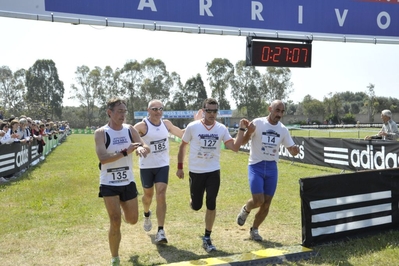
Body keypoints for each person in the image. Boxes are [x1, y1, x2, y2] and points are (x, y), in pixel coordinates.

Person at [176, 97, 249, 253]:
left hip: (213, 172)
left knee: (211, 202)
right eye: (208, 110)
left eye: (215, 111)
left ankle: (207, 237)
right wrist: (180, 167)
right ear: (203, 111)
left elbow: (235, 147)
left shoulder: (221, 128)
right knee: (197, 206)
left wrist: (242, 129)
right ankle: (193, 201)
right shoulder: (193, 127)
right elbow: (182, 146)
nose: (212, 114)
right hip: (196, 172)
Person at [94, 97, 150, 266]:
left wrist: (141, 148)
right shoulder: (101, 133)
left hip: (127, 182)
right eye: (119, 111)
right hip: (108, 183)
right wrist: (126, 152)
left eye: (125, 111)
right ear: (109, 112)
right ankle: (115, 258)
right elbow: (103, 158)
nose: (123, 115)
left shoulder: (130, 129)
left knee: (132, 220)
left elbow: (144, 146)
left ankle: (124, 215)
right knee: (115, 220)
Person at [236, 100, 300, 241]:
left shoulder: (283, 129)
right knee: (258, 200)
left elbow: (292, 150)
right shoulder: (258, 123)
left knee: (266, 204)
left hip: (272, 168)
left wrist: (295, 150)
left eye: (282, 111)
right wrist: (249, 132)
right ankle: (246, 209)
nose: (279, 114)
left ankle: (254, 230)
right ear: (270, 109)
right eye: (277, 110)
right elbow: (244, 141)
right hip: (256, 166)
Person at [133, 100, 192, 244]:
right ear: (148, 110)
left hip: (162, 165)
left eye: (160, 109)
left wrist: (195, 124)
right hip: (146, 166)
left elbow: (182, 134)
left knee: (161, 194)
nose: (158, 111)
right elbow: (131, 138)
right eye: (154, 109)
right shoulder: (141, 126)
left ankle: (161, 230)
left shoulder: (166, 124)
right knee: (148, 196)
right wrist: (138, 147)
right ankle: (146, 214)